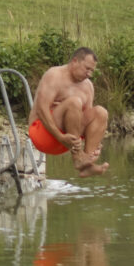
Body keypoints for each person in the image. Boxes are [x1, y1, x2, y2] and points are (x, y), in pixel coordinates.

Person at [29, 46, 109, 177]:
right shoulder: (54, 75)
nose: (89, 74)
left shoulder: (88, 86)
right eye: (87, 69)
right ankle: (78, 158)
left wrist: (96, 142)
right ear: (75, 61)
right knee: (74, 102)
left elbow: (86, 121)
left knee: (101, 112)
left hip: (68, 141)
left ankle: (87, 163)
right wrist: (60, 136)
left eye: (92, 71)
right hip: (43, 135)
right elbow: (41, 109)